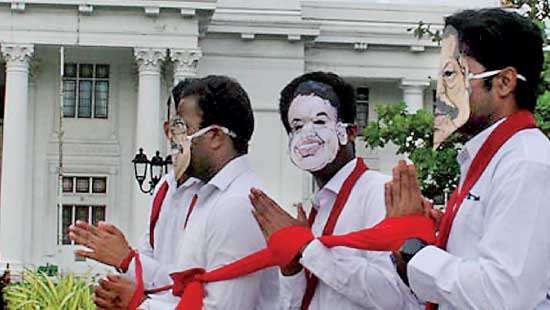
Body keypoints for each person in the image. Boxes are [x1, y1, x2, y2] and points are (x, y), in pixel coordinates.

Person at [389, 8, 550, 309]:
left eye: (453, 74)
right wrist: (432, 233)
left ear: (504, 83)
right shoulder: (491, 157)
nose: (442, 92)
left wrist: (413, 249)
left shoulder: (527, 163)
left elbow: (505, 295)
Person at [250, 72, 417, 309]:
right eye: (297, 126)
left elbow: (395, 296)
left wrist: (307, 248)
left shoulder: (382, 193)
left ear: (350, 132)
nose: (307, 134)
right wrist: (292, 268)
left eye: (320, 121)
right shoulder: (313, 206)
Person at [143, 75, 278, 309]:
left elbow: (223, 306)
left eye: (182, 129)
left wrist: (139, 303)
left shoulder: (237, 203)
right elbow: (184, 288)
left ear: (215, 136)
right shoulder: (207, 197)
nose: (175, 141)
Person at [68, 80, 203, 309]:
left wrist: (128, 261)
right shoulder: (164, 188)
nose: (181, 136)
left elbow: (191, 287)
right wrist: (119, 290)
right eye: (177, 126)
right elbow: (153, 266)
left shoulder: (215, 197)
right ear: (168, 130)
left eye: (189, 128)